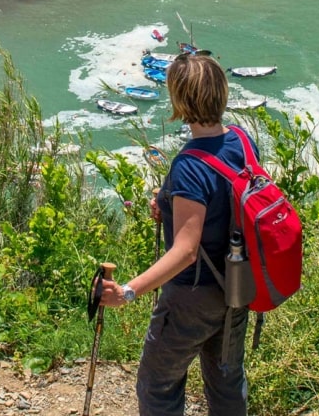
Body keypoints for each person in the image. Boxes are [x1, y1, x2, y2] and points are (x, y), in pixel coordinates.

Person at [100, 53, 249, 416]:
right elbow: (225, 203)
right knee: (227, 384)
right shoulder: (242, 142)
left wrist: (129, 291)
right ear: (221, 92)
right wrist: (170, 205)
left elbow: (185, 251)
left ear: (179, 101)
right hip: (237, 286)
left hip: (191, 298)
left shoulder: (189, 164)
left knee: (158, 387)